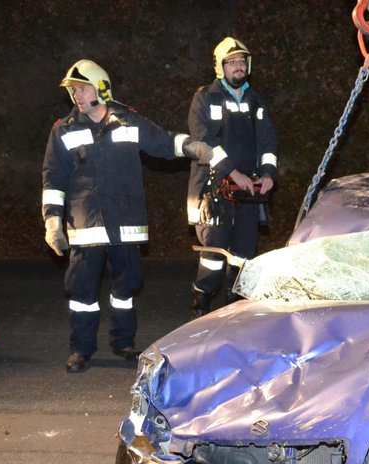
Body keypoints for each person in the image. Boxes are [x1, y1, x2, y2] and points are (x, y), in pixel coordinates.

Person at [42, 59, 229, 373]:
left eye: (82, 88)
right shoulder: (64, 129)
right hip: (85, 226)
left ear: (101, 88)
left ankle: (123, 343)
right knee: (82, 292)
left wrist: (192, 147)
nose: (76, 95)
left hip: (126, 224)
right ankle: (81, 349)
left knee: (125, 290)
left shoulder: (127, 121)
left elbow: (162, 141)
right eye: (73, 90)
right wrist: (52, 221)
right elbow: (53, 179)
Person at [186, 36, 278, 318]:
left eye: (242, 61)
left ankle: (234, 310)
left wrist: (269, 173)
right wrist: (233, 172)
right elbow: (204, 142)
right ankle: (201, 306)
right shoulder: (205, 98)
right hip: (214, 191)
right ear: (220, 66)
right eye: (232, 62)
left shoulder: (256, 101)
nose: (238, 67)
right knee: (214, 255)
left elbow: (268, 143)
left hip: (248, 191)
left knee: (243, 255)